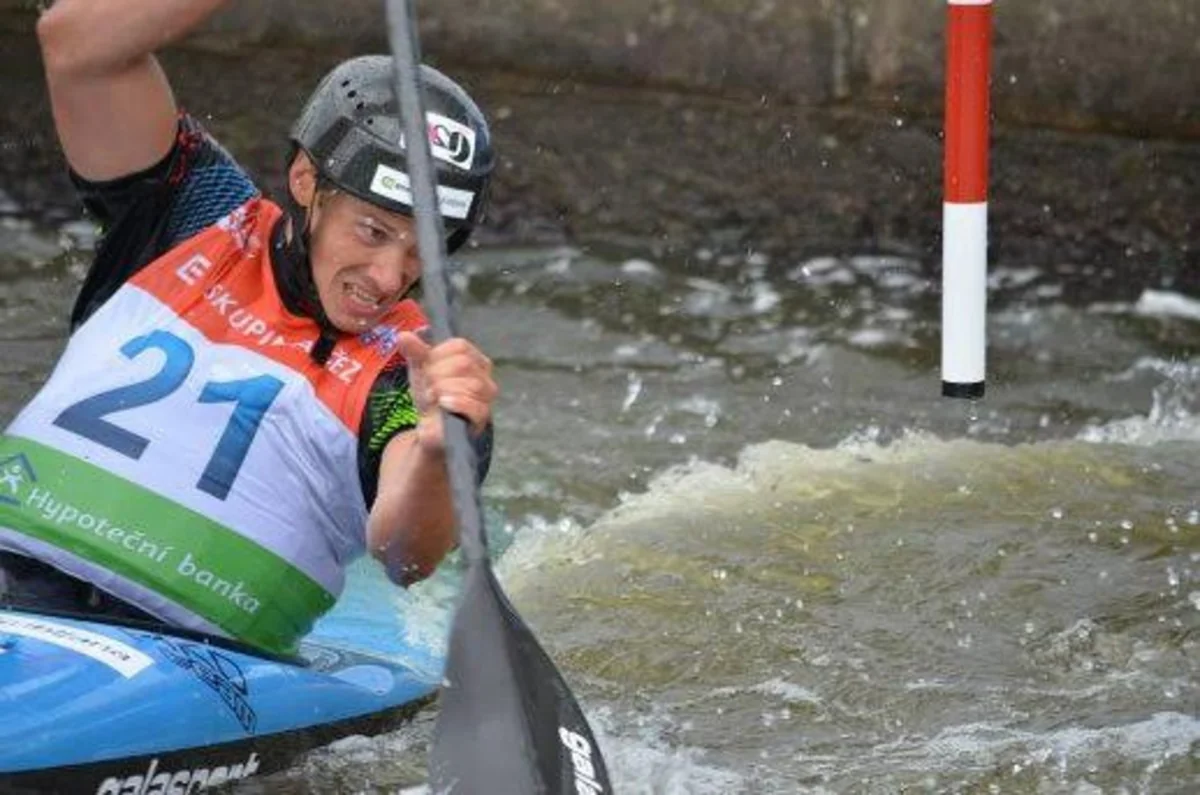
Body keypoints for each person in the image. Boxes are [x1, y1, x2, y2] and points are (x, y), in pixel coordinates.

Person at [0, 0, 498, 656]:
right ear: (305, 180)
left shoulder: (415, 373)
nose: (387, 276)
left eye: (422, 252)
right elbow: (76, 46)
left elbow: (407, 555)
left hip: (169, 655)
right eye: (372, 231)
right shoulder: (192, 212)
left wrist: (440, 452)